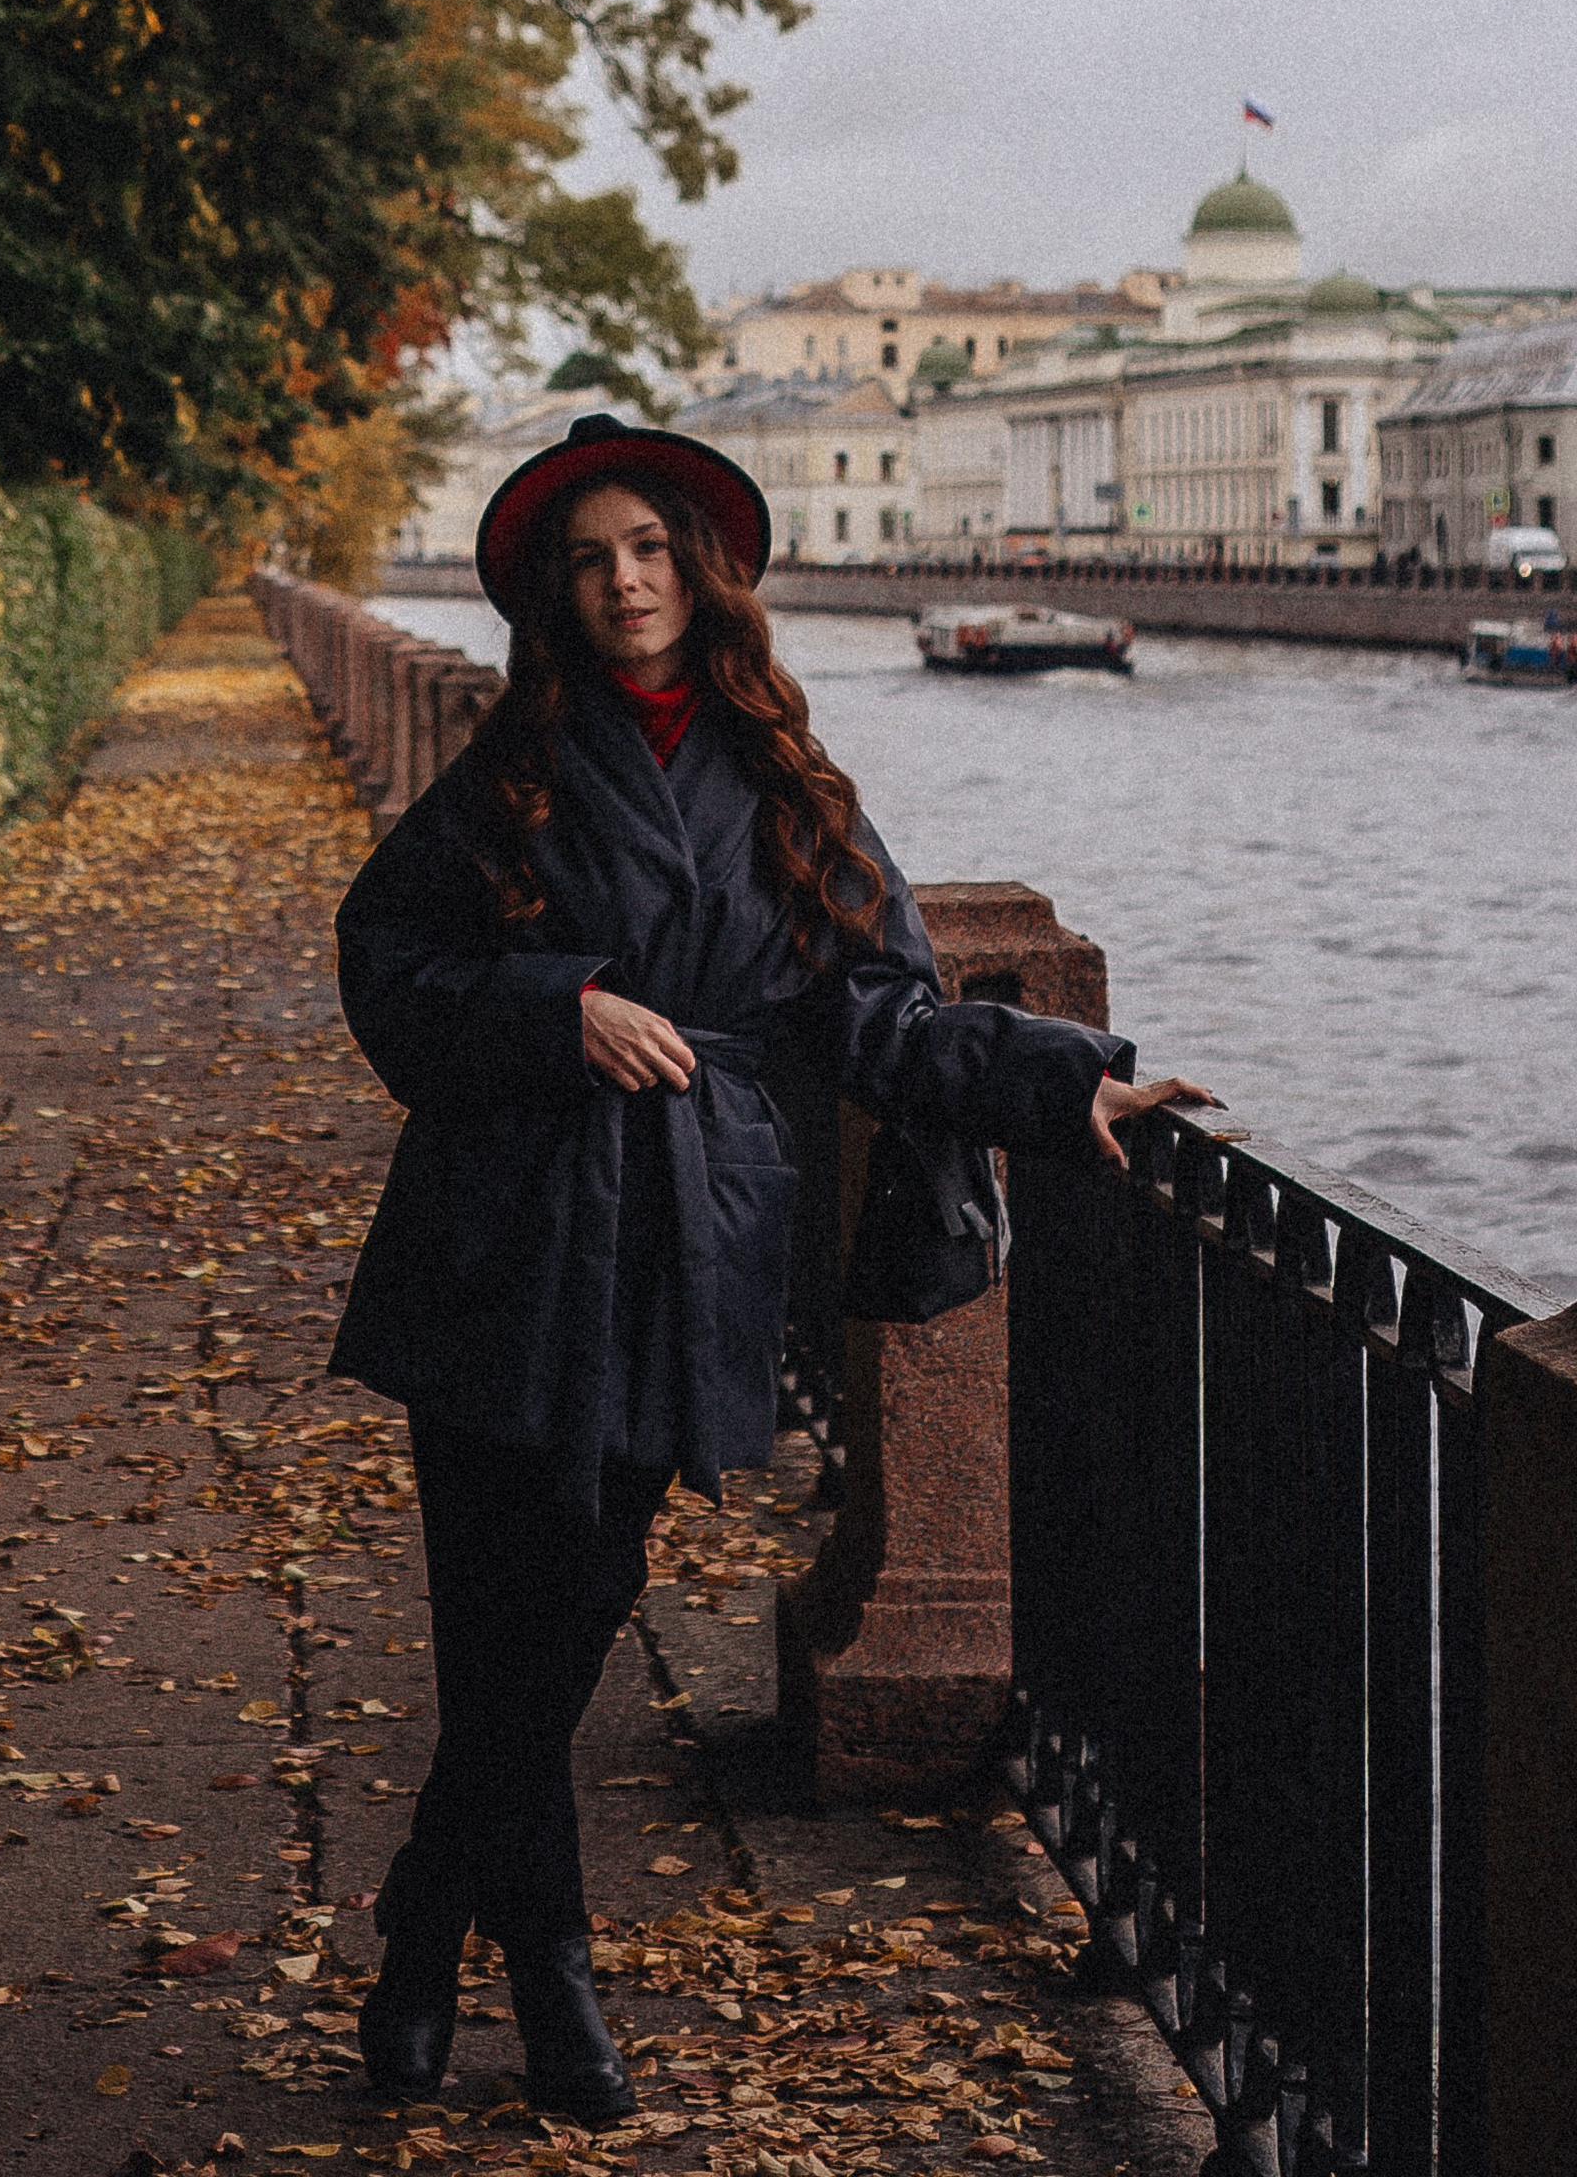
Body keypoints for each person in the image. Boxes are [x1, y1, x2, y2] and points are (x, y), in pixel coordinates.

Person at [327, 413, 1213, 2123]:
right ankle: (553, 1972)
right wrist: (553, 1006)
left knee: (568, 1630)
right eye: (590, 561)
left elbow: (879, 1012)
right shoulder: (510, 764)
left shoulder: (791, 787)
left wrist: (1059, 1078)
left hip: (676, 1248)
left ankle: (431, 1918)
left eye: (649, 550)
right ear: (558, 596)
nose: (624, 583)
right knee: (493, 1638)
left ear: (704, 572)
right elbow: (383, 958)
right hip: (497, 1236)